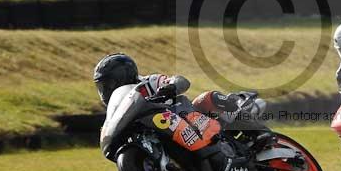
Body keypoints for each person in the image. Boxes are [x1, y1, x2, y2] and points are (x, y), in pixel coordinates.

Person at [93, 52, 264, 139]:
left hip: (190, 120)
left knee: (208, 98)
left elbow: (181, 80)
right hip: (169, 138)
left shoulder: (148, 82)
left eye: (108, 84)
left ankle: (261, 134)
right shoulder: (116, 112)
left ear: (123, 75)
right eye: (102, 87)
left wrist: (171, 87)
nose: (106, 91)